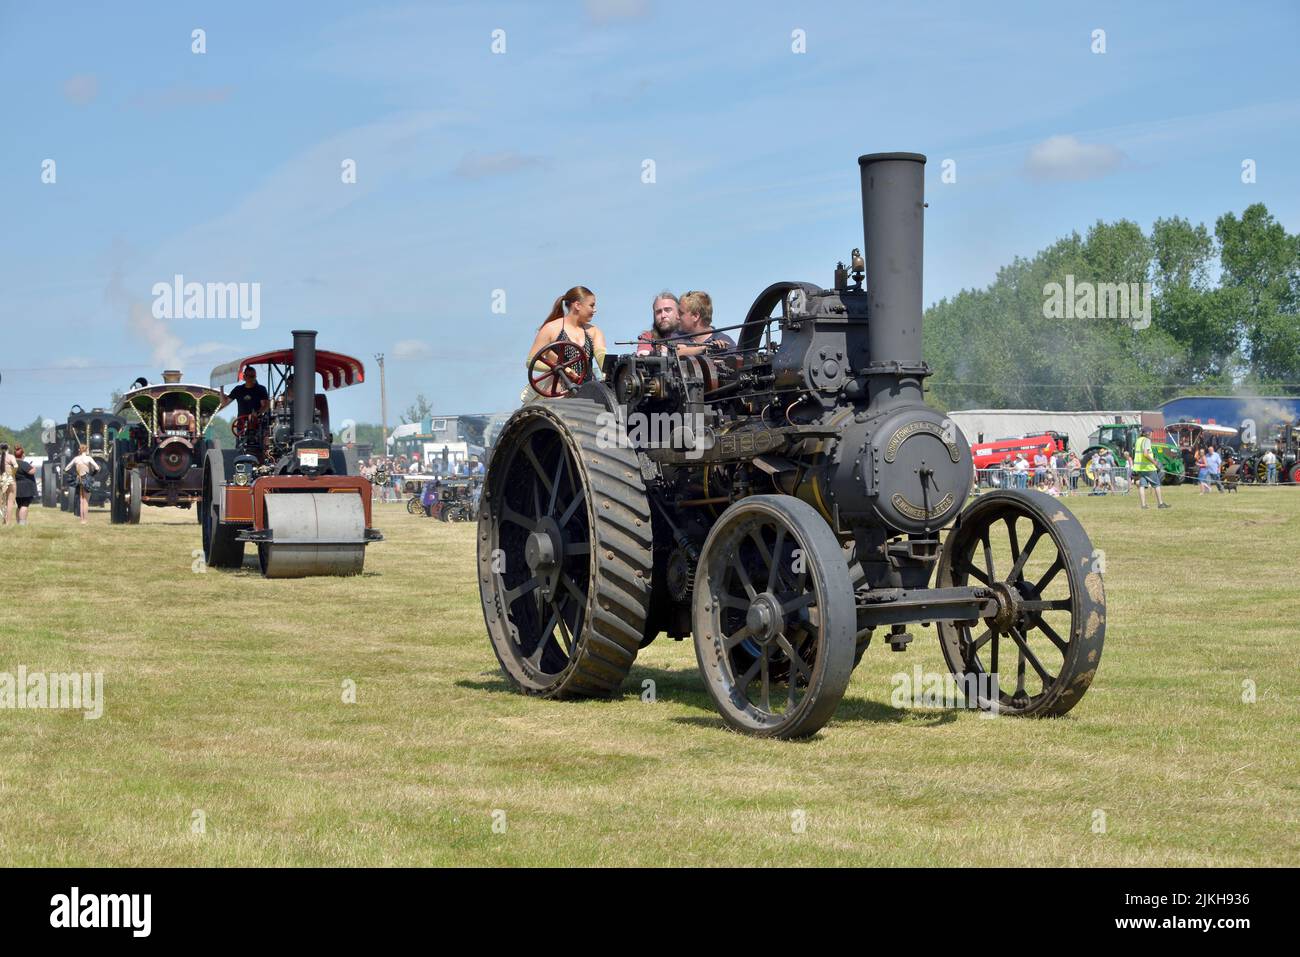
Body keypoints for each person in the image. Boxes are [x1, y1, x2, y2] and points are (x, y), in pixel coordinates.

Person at [524, 286, 606, 400]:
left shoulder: (594, 332)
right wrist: (562, 369)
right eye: (591, 305)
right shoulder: (551, 329)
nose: (595, 309)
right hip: (557, 392)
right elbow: (530, 361)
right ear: (577, 305)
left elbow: (602, 359)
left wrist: (610, 374)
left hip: (586, 391)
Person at [675, 291, 736, 358]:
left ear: (695, 316)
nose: (677, 317)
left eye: (681, 313)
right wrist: (705, 348)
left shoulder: (726, 343)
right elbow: (677, 351)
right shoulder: (676, 336)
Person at [1133, 425, 1169, 510]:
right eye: (1151, 433)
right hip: (1148, 467)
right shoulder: (1147, 440)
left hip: (1139, 468)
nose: (1152, 434)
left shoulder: (1138, 440)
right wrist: (1155, 462)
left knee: (1142, 485)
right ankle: (1160, 503)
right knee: (1156, 485)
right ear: (1148, 433)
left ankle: (1143, 505)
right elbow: (1146, 454)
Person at [637, 291, 682, 355]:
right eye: (658, 312)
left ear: (678, 313)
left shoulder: (690, 334)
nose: (663, 315)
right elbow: (642, 355)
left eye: (667, 310)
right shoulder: (647, 337)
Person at [67, 443, 100, 525]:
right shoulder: (89, 458)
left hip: (78, 479)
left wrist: (74, 475)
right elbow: (97, 468)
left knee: (81, 500)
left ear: (80, 450)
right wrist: (92, 475)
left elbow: (66, 468)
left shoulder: (76, 459)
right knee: (86, 501)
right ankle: (85, 520)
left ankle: (81, 520)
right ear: (87, 450)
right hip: (87, 479)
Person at [11, 446, 37, 525]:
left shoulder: (13, 464)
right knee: (24, 505)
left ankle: (18, 522)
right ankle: (22, 523)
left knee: (19, 505)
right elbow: (31, 472)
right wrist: (33, 467)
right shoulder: (24, 464)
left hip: (16, 487)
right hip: (26, 488)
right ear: (22, 455)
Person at [0, 442, 17, 523]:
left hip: (0, 480)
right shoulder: (11, 456)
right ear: (8, 448)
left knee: (2, 501)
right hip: (9, 479)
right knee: (10, 501)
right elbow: (16, 466)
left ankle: (3, 518)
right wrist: (13, 473)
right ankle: (8, 521)